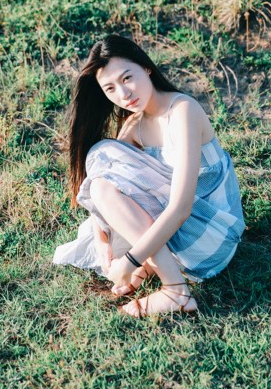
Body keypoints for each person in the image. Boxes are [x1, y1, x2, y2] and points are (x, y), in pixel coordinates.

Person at [53, 35, 245, 317]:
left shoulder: (182, 111)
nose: (123, 94)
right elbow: (106, 181)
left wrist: (131, 261)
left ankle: (175, 290)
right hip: (184, 241)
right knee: (102, 159)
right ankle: (155, 266)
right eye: (110, 88)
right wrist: (102, 240)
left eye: (127, 78)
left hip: (211, 239)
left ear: (146, 68)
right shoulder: (135, 125)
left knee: (105, 160)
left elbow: (180, 208)